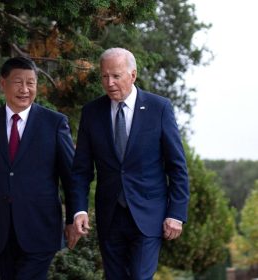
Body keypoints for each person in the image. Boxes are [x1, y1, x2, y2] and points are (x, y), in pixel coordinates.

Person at [71, 48, 190, 280]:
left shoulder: (159, 108)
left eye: (116, 76)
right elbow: (81, 170)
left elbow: (177, 166)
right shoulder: (91, 112)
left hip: (149, 215)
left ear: (133, 75)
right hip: (110, 216)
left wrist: (176, 213)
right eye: (104, 76)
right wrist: (79, 209)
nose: (109, 82)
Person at [0, 56, 76, 280]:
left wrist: (73, 217)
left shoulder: (54, 123)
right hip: (0, 229)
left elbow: (71, 176)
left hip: (41, 227)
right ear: (3, 84)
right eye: (18, 82)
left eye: (31, 83)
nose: (25, 89)